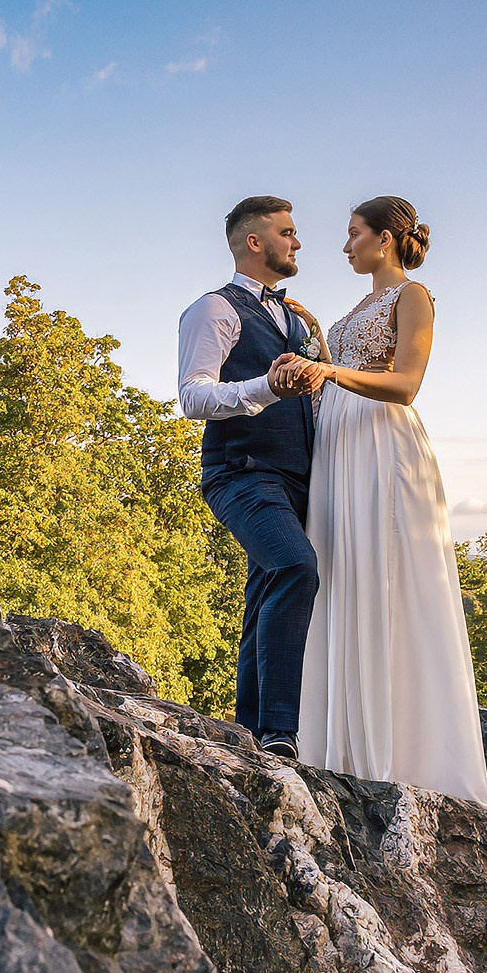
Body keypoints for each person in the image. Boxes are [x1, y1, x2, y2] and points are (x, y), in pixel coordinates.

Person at [269, 196, 487, 807]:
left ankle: (403, 751)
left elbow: (405, 383)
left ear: (386, 239)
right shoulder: (355, 308)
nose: (344, 247)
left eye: (353, 235)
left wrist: (330, 371)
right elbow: (338, 369)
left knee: (387, 579)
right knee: (341, 579)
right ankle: (339, 743)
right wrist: (319, 340)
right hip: (339, 451)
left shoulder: (412, 297)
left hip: (381, 447)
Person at [178, 196, 329, 757]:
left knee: (266, 590)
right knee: (295, 567)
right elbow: (193, 396)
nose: (298, 242)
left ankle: (249, 733)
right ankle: (280, 734)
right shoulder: (212, 309)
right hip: (239, 471)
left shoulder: (294, 319)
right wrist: (266, 388)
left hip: (297, 476)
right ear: (255, 242)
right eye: (288, 232)